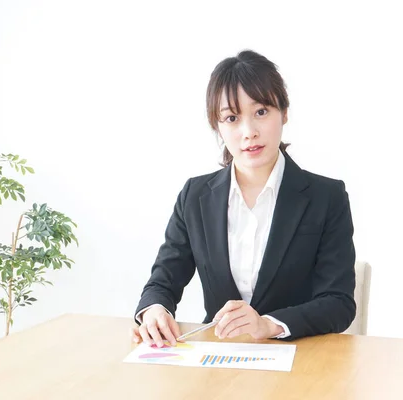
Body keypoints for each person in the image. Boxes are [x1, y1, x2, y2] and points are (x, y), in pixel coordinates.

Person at [131, 50, 356, 348]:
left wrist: (269, 325)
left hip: (300, 361)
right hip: (220, 362)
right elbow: (163, 280)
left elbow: (338, 303)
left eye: (261, 112)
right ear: (218, 126)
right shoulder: (194, 196)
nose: (248, 132)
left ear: (284, 113)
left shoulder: (327, 197)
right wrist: (155, 309)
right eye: (232, 118)